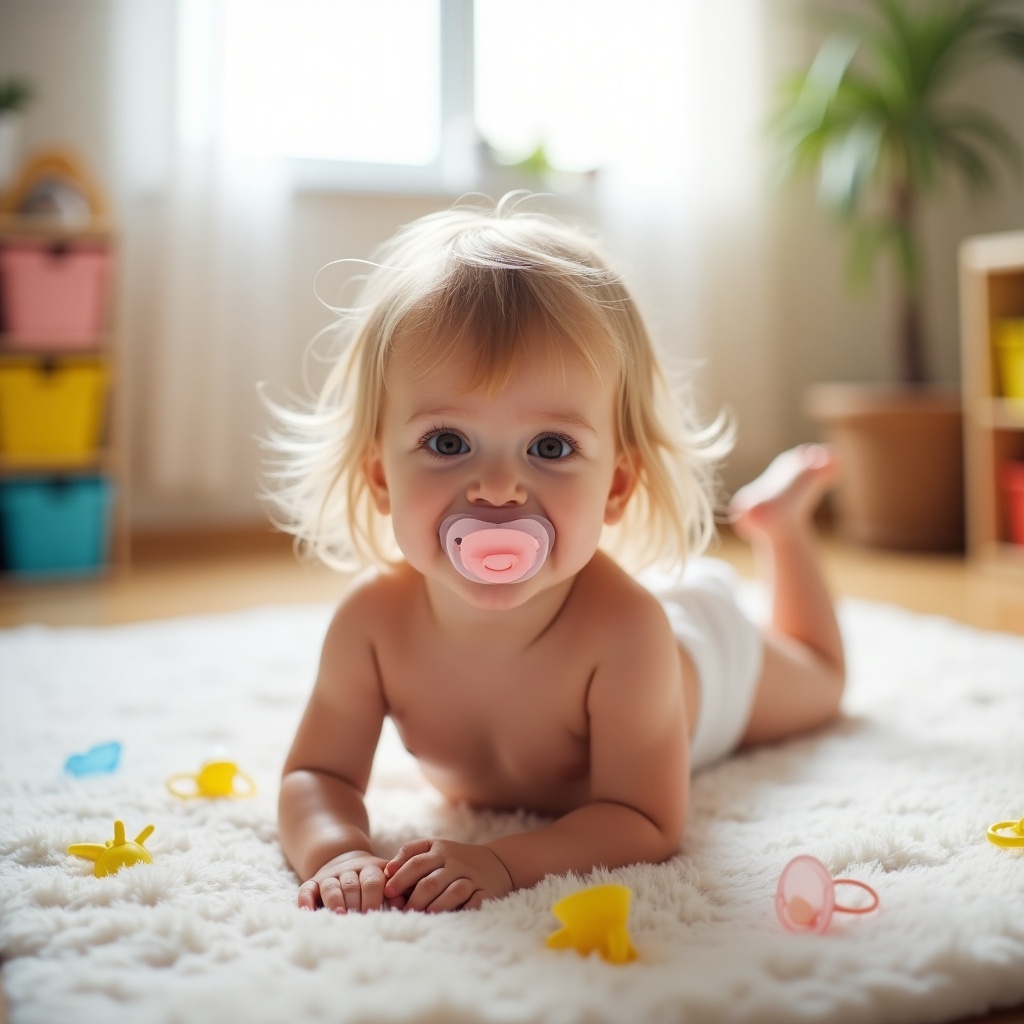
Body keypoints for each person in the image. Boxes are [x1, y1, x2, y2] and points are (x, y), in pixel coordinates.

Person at [265, 197, 845, 915]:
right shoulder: (371, 624)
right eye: (449, 443)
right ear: (381, 476)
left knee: (823, 684)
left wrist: (504, 861)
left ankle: (780, 530)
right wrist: (337, 851)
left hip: (704, 661)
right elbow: (315, 774)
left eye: (551, 447)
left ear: (616, 487)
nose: (500, 490)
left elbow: (645, 819)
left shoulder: (629, 633)